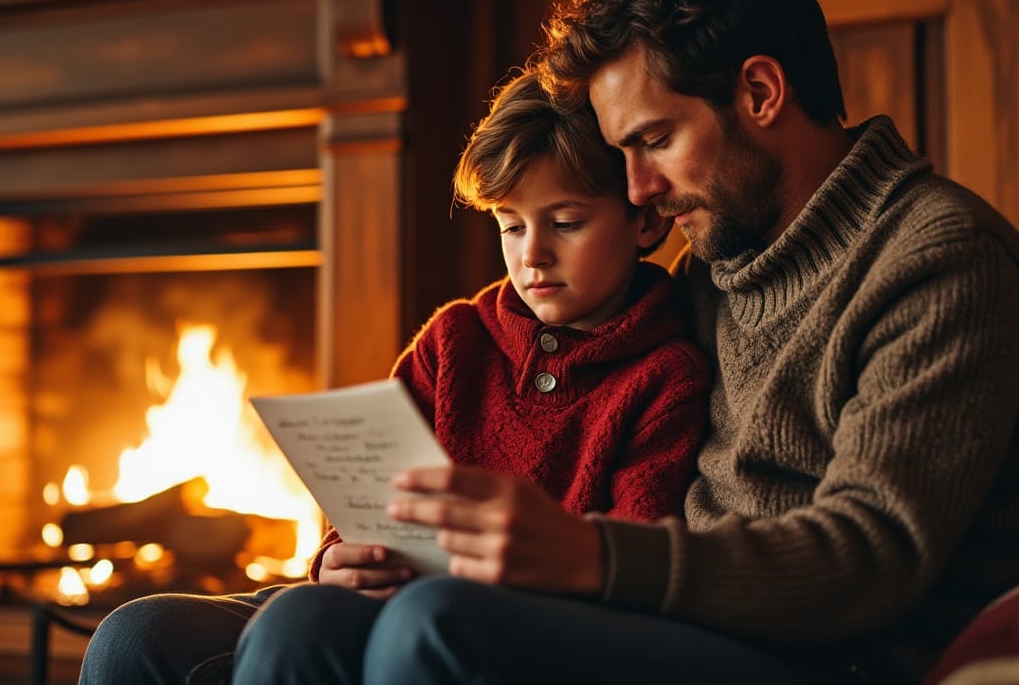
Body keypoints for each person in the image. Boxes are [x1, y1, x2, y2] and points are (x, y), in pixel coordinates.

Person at [285, 0, 1019, 685]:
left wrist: (591, 556)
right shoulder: (721, 262)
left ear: (760, 92)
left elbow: (873, 556)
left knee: (437, 626)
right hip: (678, 626)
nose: (638, 190)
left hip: (834, 661)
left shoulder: (942, 263)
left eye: (655, 140)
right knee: (282, 624)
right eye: (624, 152)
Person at [77, 69, 712, 684]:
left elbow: (629, 560)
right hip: (385, 597)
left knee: (300, 624)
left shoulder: (665, 375)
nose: (532, 254)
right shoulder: (455, 339)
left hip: (515, 624)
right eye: (511, 226)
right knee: (136, 633)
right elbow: (366, 502)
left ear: (645, 220)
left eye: (566, 223)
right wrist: (337, 561)